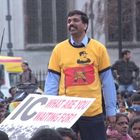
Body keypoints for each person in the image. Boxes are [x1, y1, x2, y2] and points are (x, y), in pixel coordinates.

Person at [44, 10, 117, 140]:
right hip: (65, 113)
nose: (71, 23)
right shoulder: (58, 49)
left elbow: (107, 82)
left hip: (92, 112)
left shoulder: (99, 48)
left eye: (75, 20)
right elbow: (52, 82)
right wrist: (50, 109)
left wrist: (111, 111)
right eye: (69, 21)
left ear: (85, 25)